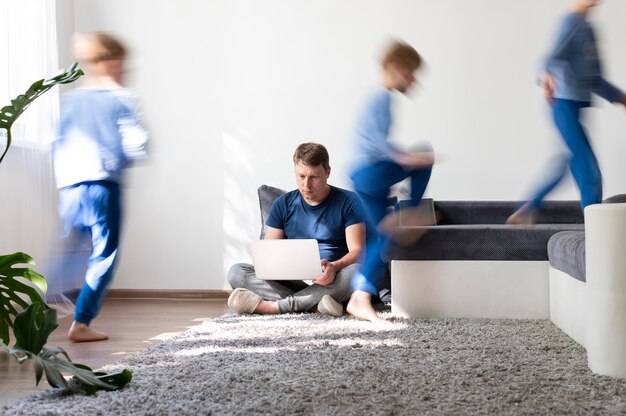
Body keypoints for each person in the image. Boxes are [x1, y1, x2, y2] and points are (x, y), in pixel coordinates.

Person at [52, 32, 149, 342]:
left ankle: (42, 301)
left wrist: (65, 181)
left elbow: (57, 141)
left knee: (70, 250)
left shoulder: (72, 98)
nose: (125, 70)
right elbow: (137, 143)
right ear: (110, 63)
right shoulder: (121, 97)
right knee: (104, 254)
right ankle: (81, 323)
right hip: (103, 184)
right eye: (122, 64)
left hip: (70, 186)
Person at [507, 0, 626, 225]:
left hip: (575, 106)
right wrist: (545, 78)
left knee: (566, 163)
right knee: (587, 169)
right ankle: (595, 228)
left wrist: (620, 98)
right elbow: (548, 59)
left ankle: (527, 208)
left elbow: (595, 79)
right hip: (563, 105)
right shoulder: (569, 22)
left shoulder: (588, 28)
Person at [347, 40, 435, 324]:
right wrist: (406, 159)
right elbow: (375, 142)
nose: (413, 80)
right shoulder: (381, 97)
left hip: (364, 177)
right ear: (397, 69)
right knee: (426, 154)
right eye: (411, 73)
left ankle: (359, 299)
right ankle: (412, 210)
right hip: (369, 171)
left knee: (381, 237)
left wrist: (399, 164)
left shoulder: (380, 98)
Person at [227, 143, 366, 316]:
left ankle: (275, 307)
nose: (306, 184)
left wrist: (334, 267)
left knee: (357, 271)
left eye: (314, 177)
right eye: (301, 176)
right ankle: (315, 305)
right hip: (294, 281)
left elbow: (358, 251)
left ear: (327, 172)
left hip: (333, 279)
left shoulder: (349, 201)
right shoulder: (283, 204)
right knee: (236, 272)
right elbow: (269, 254)